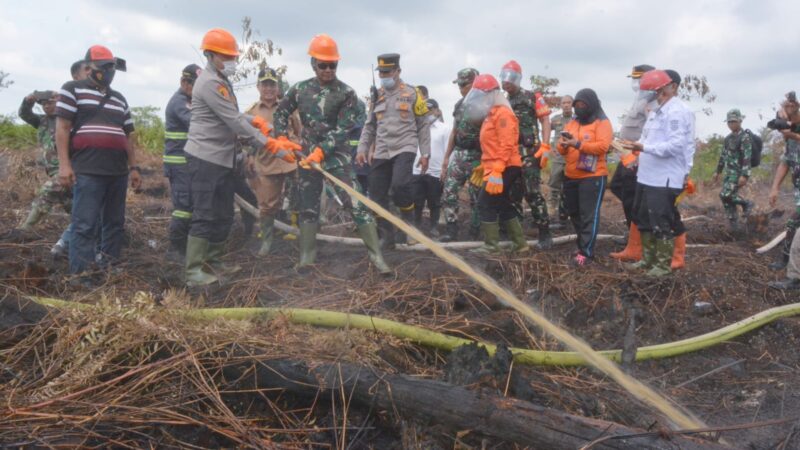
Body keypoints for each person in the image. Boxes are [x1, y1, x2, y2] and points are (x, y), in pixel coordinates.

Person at [183, 28, 301, 287]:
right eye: (226, 56)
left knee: (224, 212)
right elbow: (233, 120)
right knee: (205, 213)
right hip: (205, 159)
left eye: (232, 55)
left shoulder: (221, 80)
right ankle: (193, 271)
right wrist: (270, 145)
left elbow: (235, 115)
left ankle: (214, 260)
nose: (232, 61)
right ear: (211, 55)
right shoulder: (210, 83)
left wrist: (255, 121)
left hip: (223, 159)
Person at [273, 34, 390, 274]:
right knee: (308, 206)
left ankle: (377, 258)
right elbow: (280, 113)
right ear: (313, 64)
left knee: (356, 202)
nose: (328, 70)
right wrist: (281, 138)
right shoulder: (299, 89)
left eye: (332, 65)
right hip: (306, 158)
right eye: (323, 65)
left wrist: (321, 151)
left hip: (337, 157)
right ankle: (307, 257)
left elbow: (343, 129)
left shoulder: (346, 93)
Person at [55, 45, 141, 281]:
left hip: (117, 172)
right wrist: (65, 165)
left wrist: (133, 168)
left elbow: (127, 136)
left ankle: (109, 267)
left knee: (114, 223)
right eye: (104, 67)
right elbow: (62, 128)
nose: (109, 72)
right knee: (85, 224)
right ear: (88, 68)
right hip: (88, 170)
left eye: (111, 67)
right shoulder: (72, 90)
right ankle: (81, 276)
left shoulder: (119, 99)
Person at [622, 69, 695, 277]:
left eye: (653, 94)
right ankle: (648, 259)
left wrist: (644, 148)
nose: (652, 98)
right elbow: (647, 140)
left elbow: (675, 146)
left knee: (661, 221)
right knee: (643, 217)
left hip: (665, 178)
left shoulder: (678, 112)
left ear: (666, 89)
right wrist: (632, 148)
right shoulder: (656, 112)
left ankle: (662, 266)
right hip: (646, 175)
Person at [356, 53, 431, 248]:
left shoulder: (413, 93)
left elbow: (423, 125)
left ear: (398, 71)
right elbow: (369, 125)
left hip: (405, 145)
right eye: (380, 72)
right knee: (376, 193)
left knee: (399, 186)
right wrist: (362, 149)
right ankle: (386, 236)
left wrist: (425, 153)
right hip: (382, 149)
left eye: (387, 71)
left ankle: (410, 227)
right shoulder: (376, 95)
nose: (383, 75)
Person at [462, 74, 528, 254]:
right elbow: (493, 145)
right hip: (497, 166)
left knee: (485, 203)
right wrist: (485, 165)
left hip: (506, 167)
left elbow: (507, 145)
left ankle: (491, 246)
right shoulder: (491, 114)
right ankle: (520, 244)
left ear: (491, 94)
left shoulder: (504, 114)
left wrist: (497, 170)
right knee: (501, 203)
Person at [246, 68, 301, 256]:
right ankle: (267, 241)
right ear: (258, 87)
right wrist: (250, 158)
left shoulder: (288, 107)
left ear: (278, 87)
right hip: (267, 163)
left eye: (272, 85)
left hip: (291, 161)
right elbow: (247, 139)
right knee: (267, 204)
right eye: (265, 85)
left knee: (304, 193)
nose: (269, 89)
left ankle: (304, 234)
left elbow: (299, 131)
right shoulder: (252, 112)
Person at [500, 60, 553, 249]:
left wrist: (545, 145)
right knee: (513, 194)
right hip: (511, 155)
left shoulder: (532, 96)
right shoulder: (503, 101)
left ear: (518, 79)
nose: (507, 82)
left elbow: (545, 119)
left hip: (530, 153)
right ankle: (515, 234)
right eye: (504, 78)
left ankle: (545, 234)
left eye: (511, 78)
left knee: (532, 193)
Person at [556, 89, 613, 266]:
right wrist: (564, 145)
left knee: (589, 214)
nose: (579, 109)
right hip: (571, 174)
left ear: (591, 105)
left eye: (583, 105)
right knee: (573, 212)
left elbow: (603, 146)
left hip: (593, 176)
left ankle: (586, 253)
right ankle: (582, 244)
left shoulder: (602, 122)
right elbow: (560, 147)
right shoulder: (573, 123)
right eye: (577, 106)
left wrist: (578, 144)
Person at [610, 64, 656, 249]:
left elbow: (650, 130)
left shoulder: (653, 101)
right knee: (617, 186)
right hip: (626, 154)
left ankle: (636, 237)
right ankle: (636, 227)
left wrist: (639, 152)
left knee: (630, 194)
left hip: (638, 156)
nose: (635, 83)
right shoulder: (640, 98)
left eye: (639, 79)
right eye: (634, 79)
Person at [439, 68, 482, 242]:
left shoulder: (487, 104)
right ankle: (451, 229)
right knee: (449, 191)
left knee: (477, 196)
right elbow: (454, 131)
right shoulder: (459, 105)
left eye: (464, 84)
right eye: (459, 84)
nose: (461, 88)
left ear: (475, 83)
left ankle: (475, 231)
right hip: (459, 154)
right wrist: (446, 158)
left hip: (478, 155)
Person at [163, 64, 201, 260]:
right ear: (183, 82)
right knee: (184, 208)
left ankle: (185, 247)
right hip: (179, 163)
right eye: (194, 84)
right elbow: (197, 123)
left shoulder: (191, 101)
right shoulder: (180, 103)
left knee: (191, 205)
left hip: (189, 163)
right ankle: (176, 249)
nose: (197, 89)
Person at [16, 90, 66, 233]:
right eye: (43, 104)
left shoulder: (68, 120)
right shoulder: (42, 121)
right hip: (52, 171)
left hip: (67, 169)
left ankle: (25, 229)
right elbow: (24, 114)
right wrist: (28, 100)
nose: (46, 106)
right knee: (72, 205)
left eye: (50, 103)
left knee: (46, 192)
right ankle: (99, 229)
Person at [768, 92, 800, 270]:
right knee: (794, 224)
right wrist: (774, 188)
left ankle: (792, 271)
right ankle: (786, 261)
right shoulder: (790, 140)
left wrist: (794, 133)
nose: (782, 130)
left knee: (794, 223)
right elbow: (785, 162)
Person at [412, 99, 450, 234]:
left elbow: (448, 151)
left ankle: (433, 227)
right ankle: (415, 228)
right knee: (417, 202)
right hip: (417, 171)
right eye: (425, 110)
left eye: (430, 109)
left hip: (436, 172)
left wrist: (445, 170)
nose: (427, 112)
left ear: (437, 110)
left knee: (434, 202)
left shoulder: (444, 129)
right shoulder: (415, 127)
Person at [714, 109, 753, 233]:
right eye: (729, 122)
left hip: (738, 173)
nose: (731, 124)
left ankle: (746, 203)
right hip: (728, 172)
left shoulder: (745, 137)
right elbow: (723, 155)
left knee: (725, 194)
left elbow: (747, 157)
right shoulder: (728, 138)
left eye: (734, 121)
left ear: (740, 121)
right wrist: (718, 171)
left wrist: (745, 175)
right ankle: (734, 225)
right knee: (725, 199)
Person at [547, 95, 573, 229]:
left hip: (572, 159)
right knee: (553, 185)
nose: (566, 105)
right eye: (564, 103)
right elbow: (545, 128)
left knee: (568, 188)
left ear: (572, 104)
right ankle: (550, 212)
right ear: (561, 105)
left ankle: (566, 215)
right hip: (557, 158)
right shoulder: (556, 119)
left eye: (569, 102)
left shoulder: (577, 120)